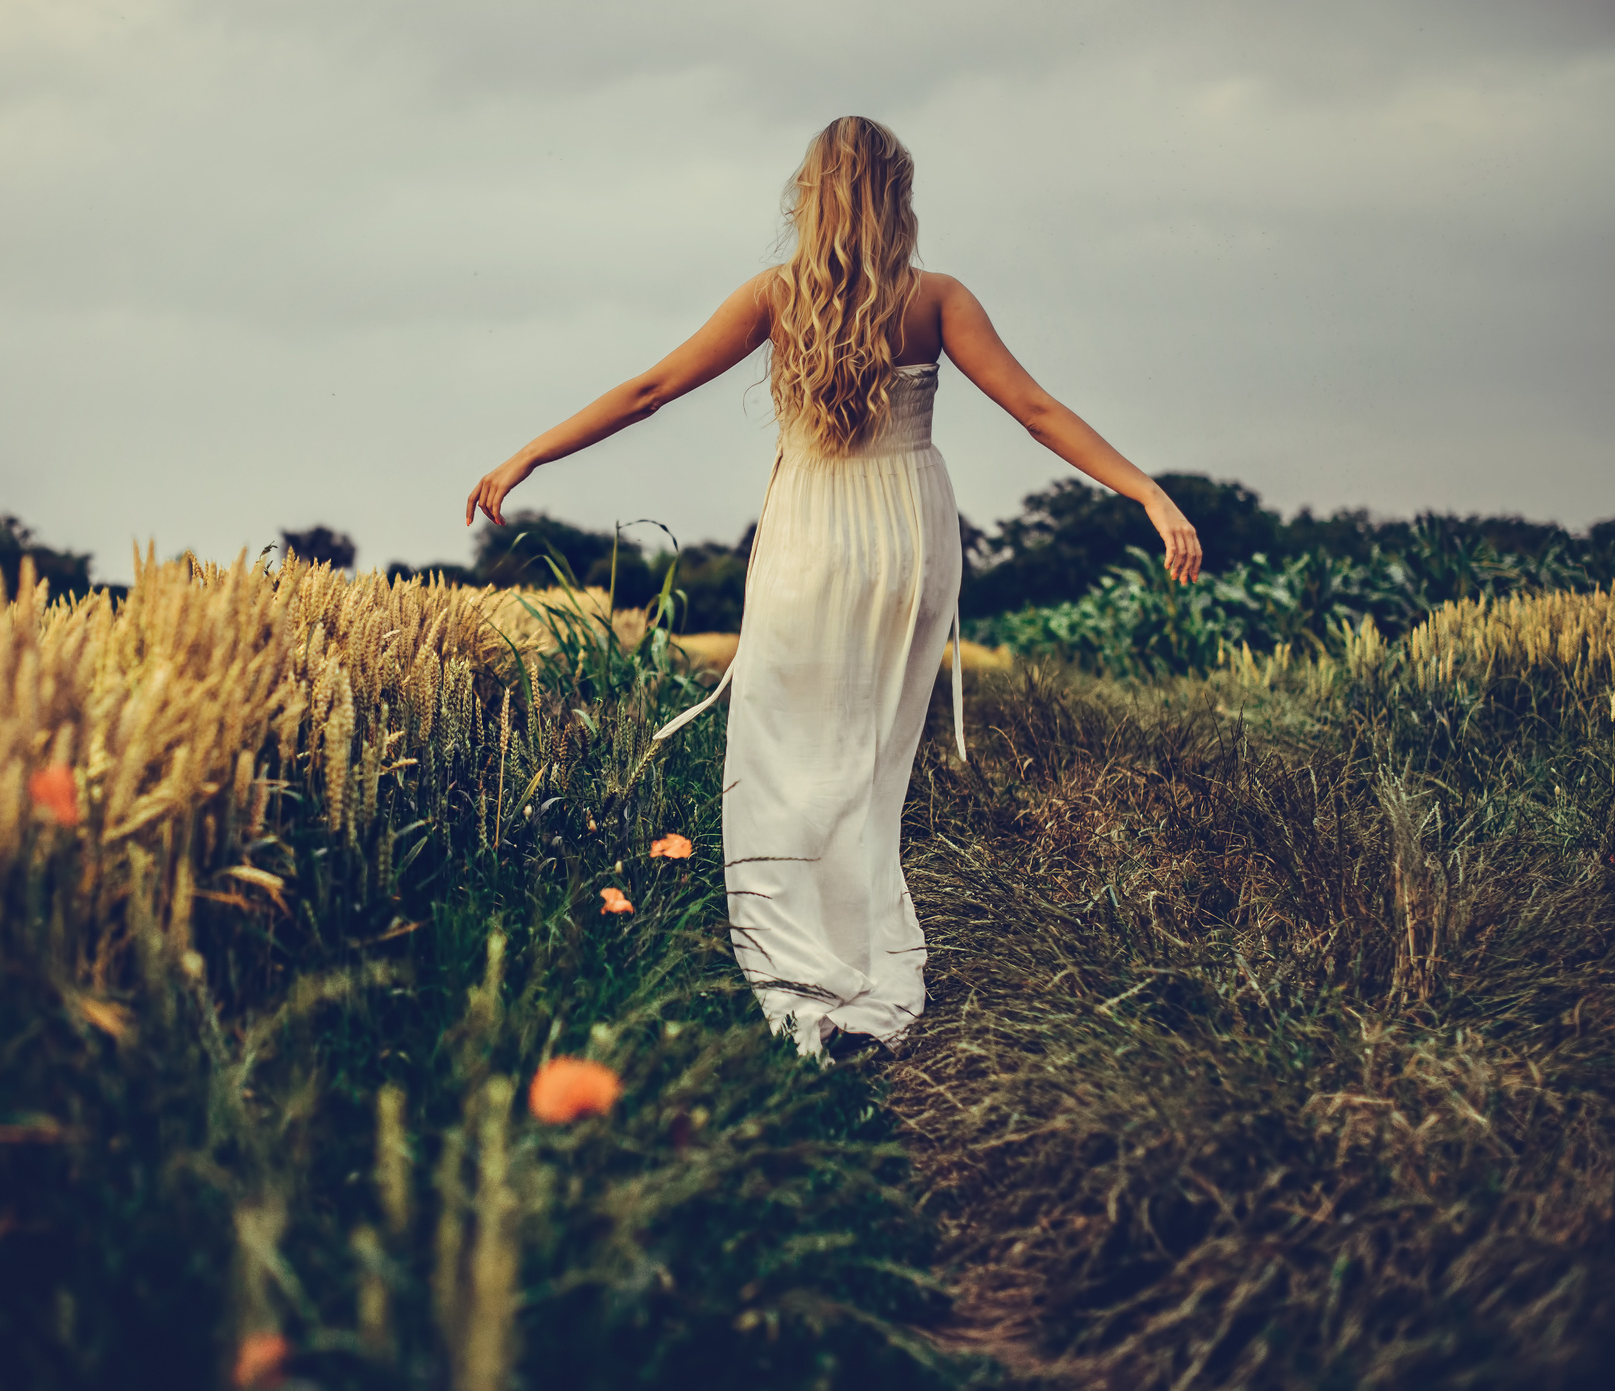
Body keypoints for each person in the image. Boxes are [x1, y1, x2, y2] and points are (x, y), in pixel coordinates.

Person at [465, 116, 1200, 1060]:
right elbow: (1036, 410)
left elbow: (650, 389)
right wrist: (1145, 490)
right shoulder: (937, 299)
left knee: (786, 753)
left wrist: (531, 450)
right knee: (869, 760)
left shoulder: (775, 297)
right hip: (906, 538)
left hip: (812, 535)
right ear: (897, 198)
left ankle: (800, 965)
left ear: (808, 196)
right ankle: (864, 957)